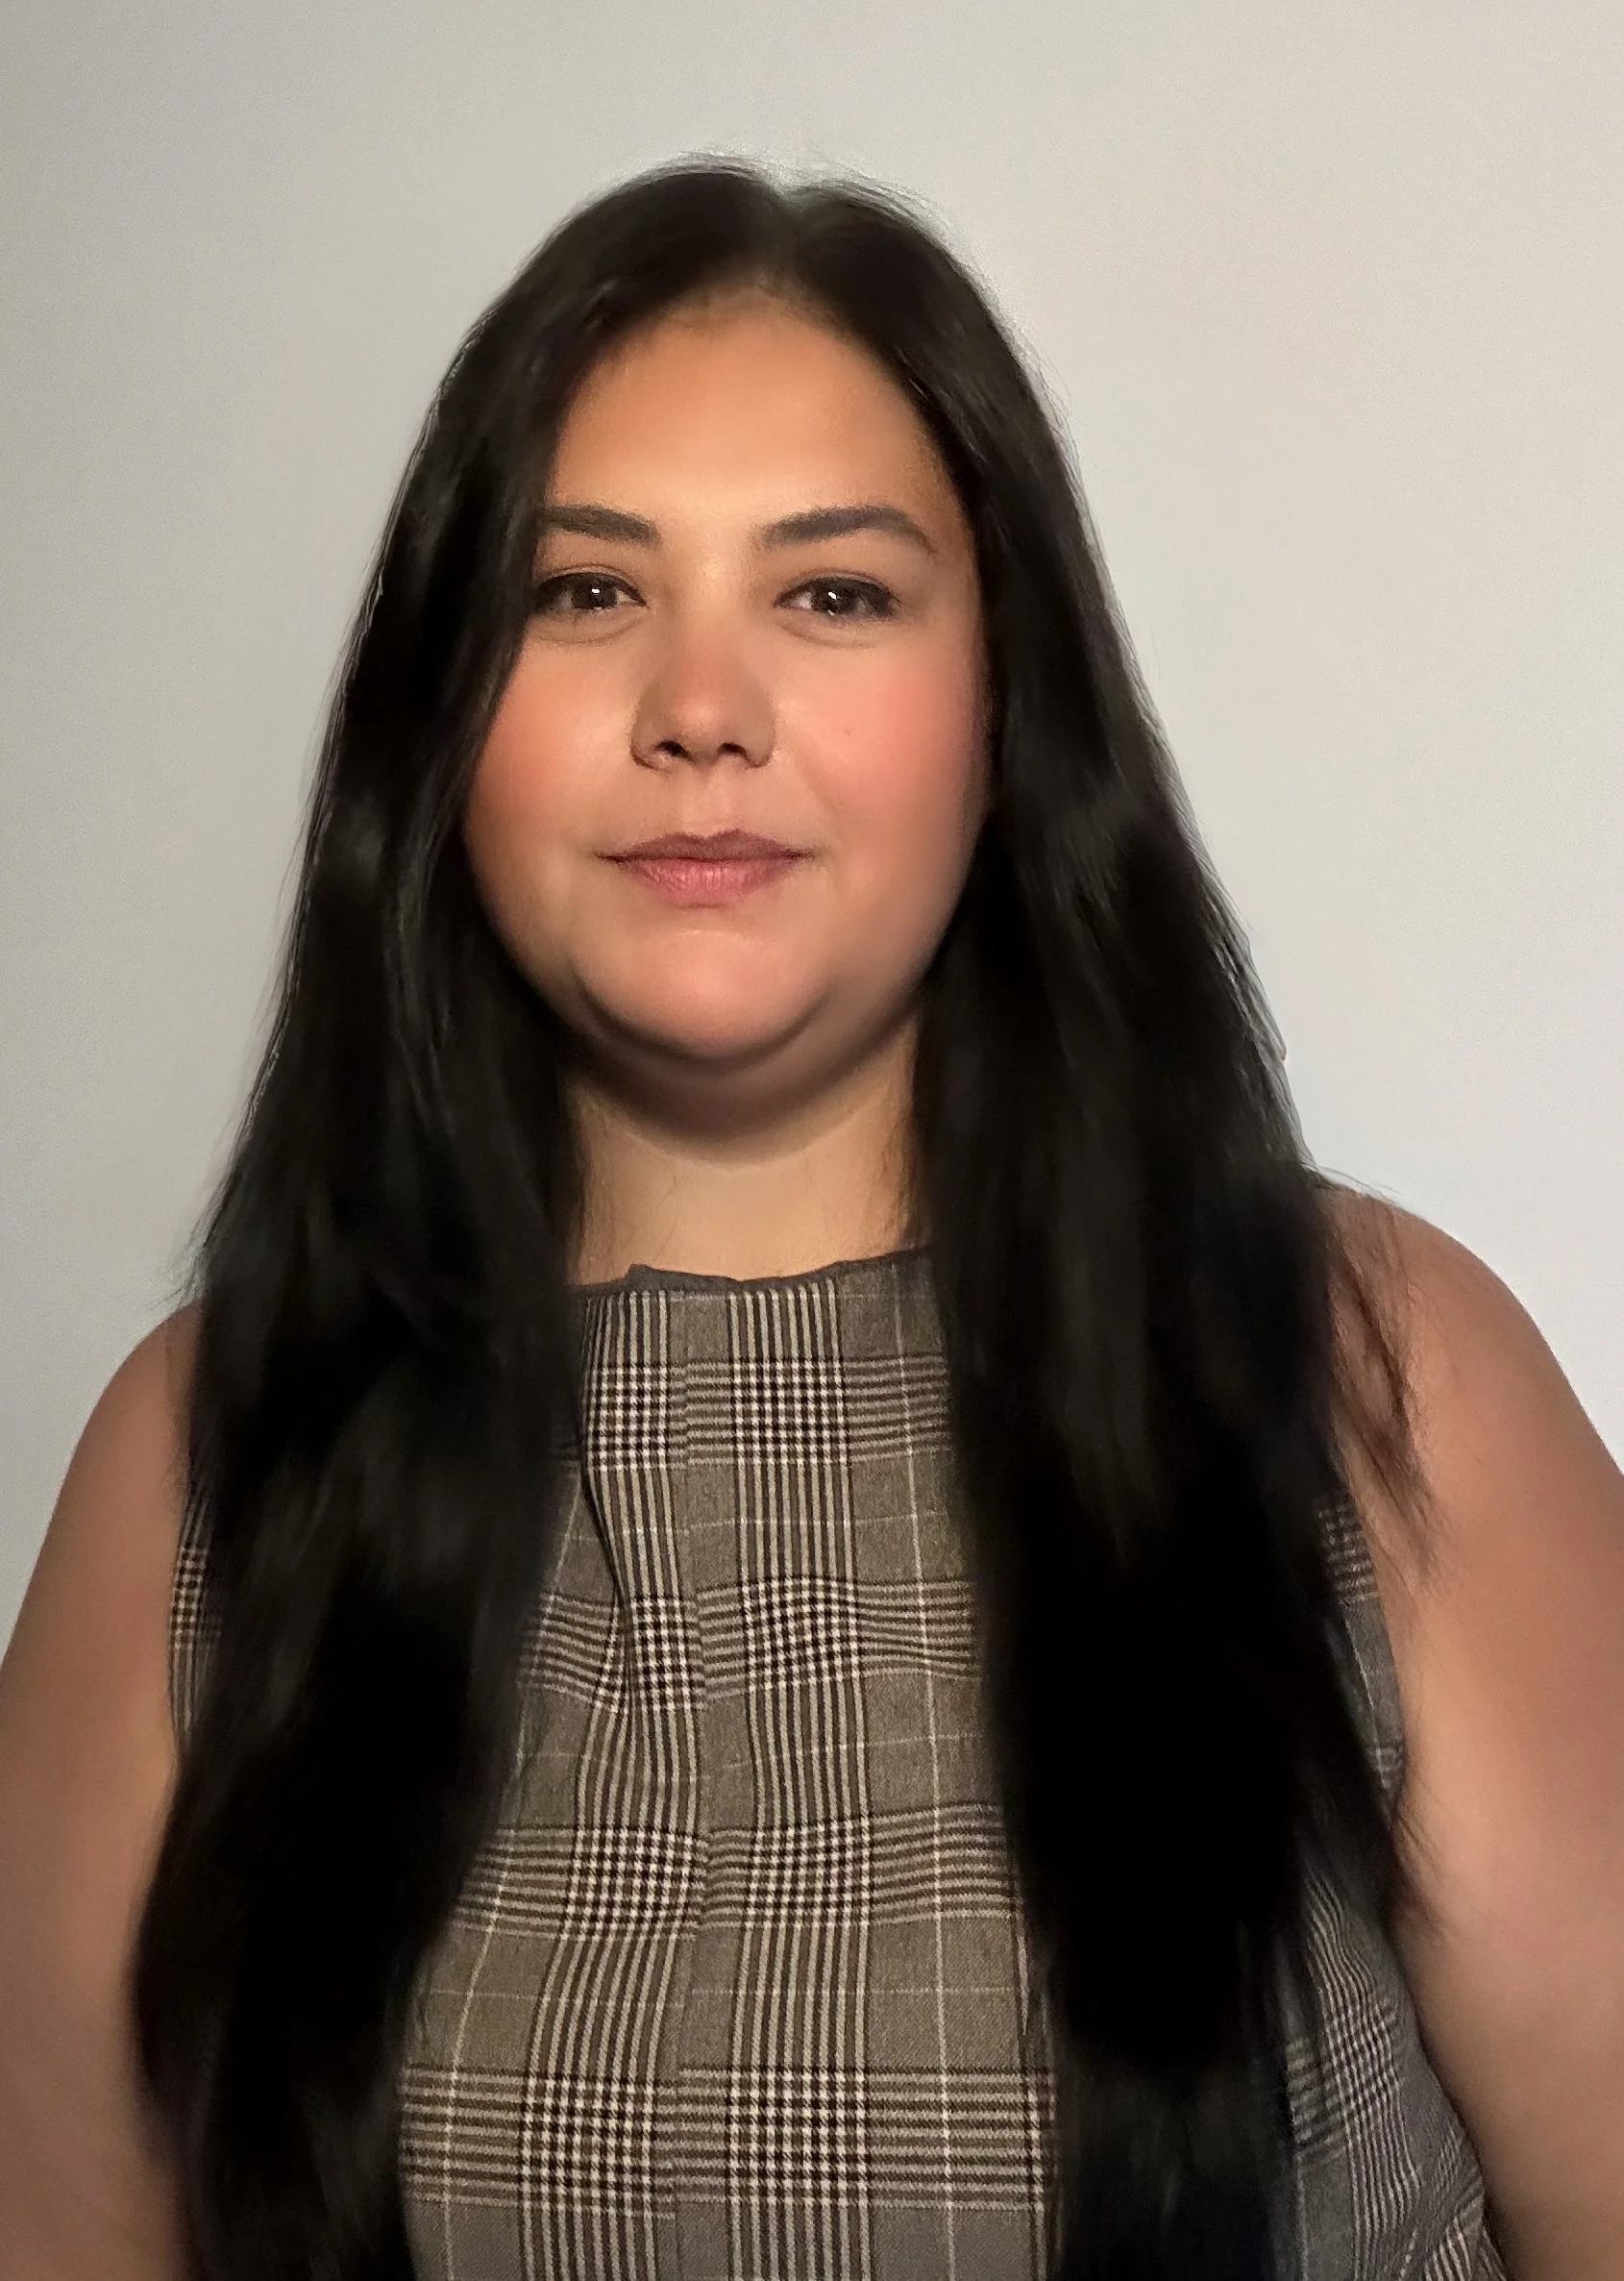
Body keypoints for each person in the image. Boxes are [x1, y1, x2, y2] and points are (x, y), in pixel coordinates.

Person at [0, 159, 1619, 2281]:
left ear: (1005, 708)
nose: (699, 706)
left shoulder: (1360, 1373)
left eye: (832, 592)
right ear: (441, 722)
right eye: (582, 592)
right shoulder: (200, 1459)